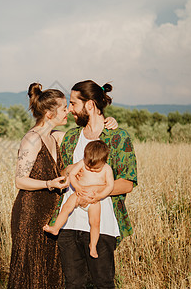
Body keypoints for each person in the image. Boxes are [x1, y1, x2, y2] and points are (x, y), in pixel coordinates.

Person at [8, 83, 118, 289]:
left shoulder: (56, 137)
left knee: (49, 269)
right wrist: (49, 183)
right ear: (50, 113)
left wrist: (108, 120)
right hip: (30, 214)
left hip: (51, 213)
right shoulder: (31, 139)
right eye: (63, 108)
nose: (68, 110)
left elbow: (90, 134)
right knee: (30, 269)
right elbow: (19, 180)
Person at [53, 80, 138, 289]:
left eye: (73, 104)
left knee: (103, 283)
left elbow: (127, 183)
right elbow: (62, 174)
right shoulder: (72, 137)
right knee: (73, 284)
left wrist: (95, 193)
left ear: (90, 105)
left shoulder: (118, 137)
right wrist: (73, 171)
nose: (70, 109)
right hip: (68, 224)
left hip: (102, 224)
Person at [43, 140, 114, 258]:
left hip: (94, 200)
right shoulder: (82, 162)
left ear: (104, 161)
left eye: (96, 169)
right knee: (66, 208)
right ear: (85, 157)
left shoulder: (107, 169)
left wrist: (99, 196)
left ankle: (93, 245)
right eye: (88, 166)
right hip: (78, 194)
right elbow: (71, 175)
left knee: (95, 223)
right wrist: (77, 187)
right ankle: (56, 228)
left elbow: (110, 186)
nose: (91, 170)